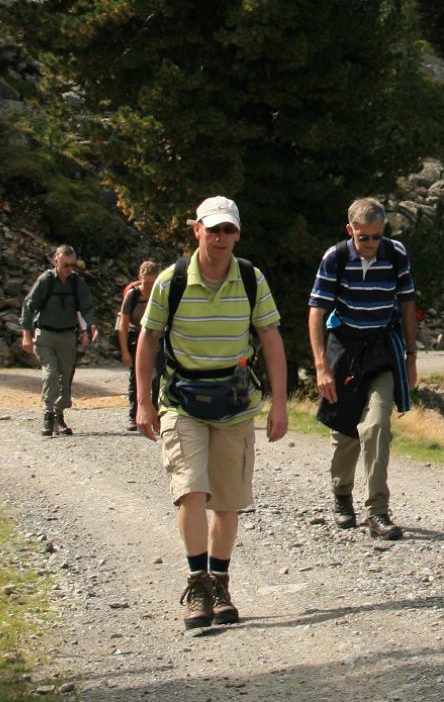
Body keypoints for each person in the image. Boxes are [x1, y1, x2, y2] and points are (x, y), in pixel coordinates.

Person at [133, 195, 287, 631]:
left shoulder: (251, 279)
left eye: (229, 230)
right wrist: (144, 401)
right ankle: (197, 583)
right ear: (196, 230)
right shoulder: (171, 281)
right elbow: (148, 341)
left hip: (235, 403)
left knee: (227, 500)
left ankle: (220, 582)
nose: (221, 238)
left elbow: (271, 337)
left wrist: (280, 402)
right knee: (191, 491)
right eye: (213, 229)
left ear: (237, 233)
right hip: (182, 400)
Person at [308, 198, 418, 539]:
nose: (370, 244)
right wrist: (321, 364)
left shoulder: (396, 254)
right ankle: (342, 496)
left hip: (381, 351)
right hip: (344, 349)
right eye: (363, 237)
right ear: (350, 231)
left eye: (376, 236)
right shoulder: (335, 257)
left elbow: (408, 303)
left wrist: (411, 357)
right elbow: (316, 309)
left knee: (377, 425)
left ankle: (378, 511)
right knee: (345, 433)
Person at [20, 244, 96, 437]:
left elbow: (86, 307)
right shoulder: (46, 281)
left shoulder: (76, 283)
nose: (69, 269)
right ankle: (48, 413)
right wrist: (26, 335)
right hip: (45, 335)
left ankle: (59, 415)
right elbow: (29, 306)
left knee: (66, 375)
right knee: (51, 372)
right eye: (65, 265)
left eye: (72, 265)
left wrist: (91, 325)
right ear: (56, 262)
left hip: (68, 336)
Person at [116, 259, 159, 432]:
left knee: (157, 378)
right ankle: (134, 415)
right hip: (136, 338)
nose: (148, 286)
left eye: (152, 283)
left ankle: (155, 414)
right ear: (139, 277)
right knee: (136, 378)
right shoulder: (132, 295)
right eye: (145, 282)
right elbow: (123, 325)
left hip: (157, 338)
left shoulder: (160, 294)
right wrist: (125, 351)